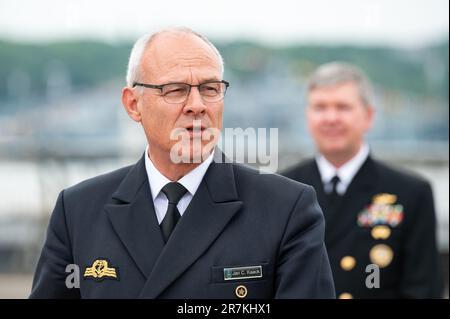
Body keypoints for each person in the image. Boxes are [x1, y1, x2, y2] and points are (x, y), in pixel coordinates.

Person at [30, 27, 335, 299]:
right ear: (133, 104)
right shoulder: (78, 210)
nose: (197, 105)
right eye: (175, 90)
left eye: (210, 89)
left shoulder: (286, 209)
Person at [282, 62, 443, 299]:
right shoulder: (282, 188)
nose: (331, 118)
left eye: (343, 107)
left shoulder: (411, 192)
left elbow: (423, 288)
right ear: (308, 117)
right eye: (320, 107)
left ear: (368, 116)